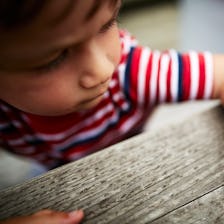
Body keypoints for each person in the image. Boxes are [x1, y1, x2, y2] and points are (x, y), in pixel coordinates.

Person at [0, 0, 224, 223]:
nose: (103, 70)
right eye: (54, 59)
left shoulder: (129, 71)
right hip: (52, 173)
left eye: (107, 24)